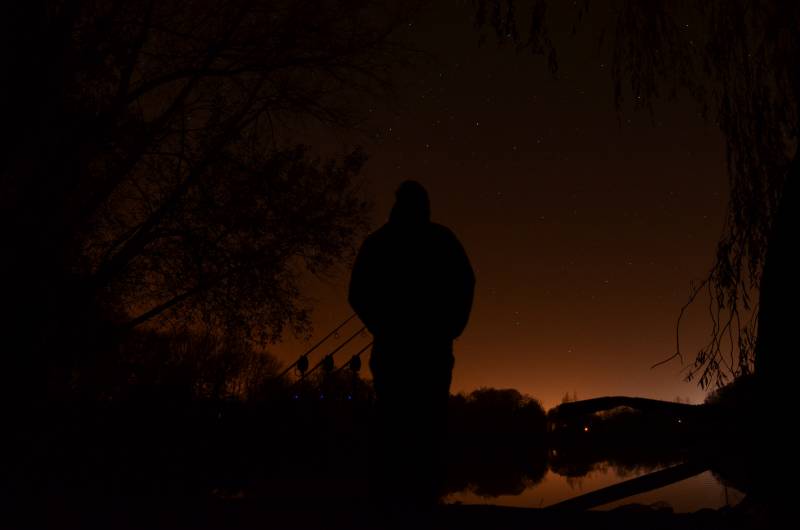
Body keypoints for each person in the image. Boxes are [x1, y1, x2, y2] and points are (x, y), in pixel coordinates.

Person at [348, 180, 475, 512]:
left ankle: (397, 500)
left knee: (397, 418)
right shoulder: (441, 240)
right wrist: (450, 327)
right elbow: (465, 283)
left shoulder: (378, 243)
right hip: (423, 349)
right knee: (424, 421)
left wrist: (384, 326)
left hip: (402, 348)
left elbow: (358, 293)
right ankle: (420, 500)